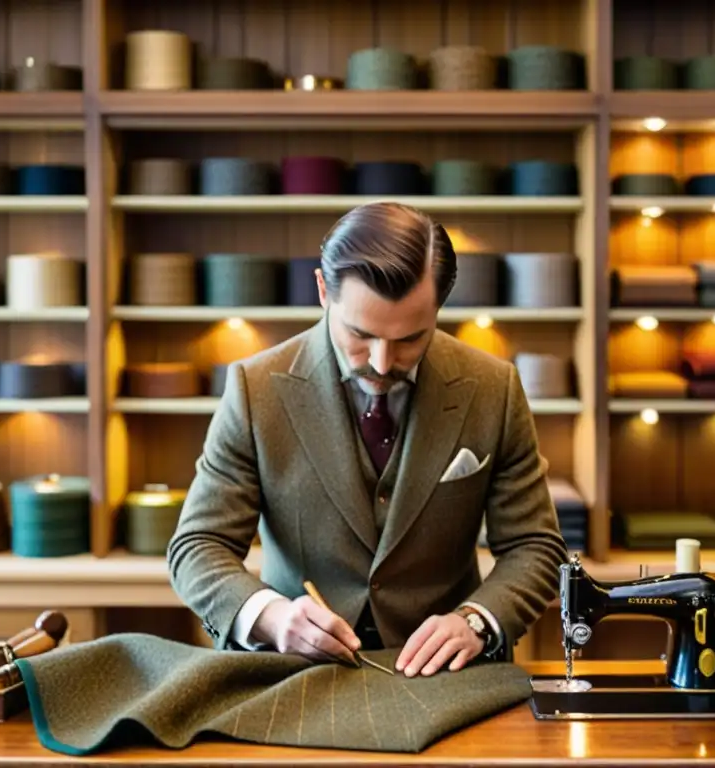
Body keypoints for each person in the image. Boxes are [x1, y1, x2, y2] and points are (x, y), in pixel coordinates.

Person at [167, 201, 568, 678]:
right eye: (360, 334)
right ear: (322, 290)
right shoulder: (255, 389)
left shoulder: (494, 389)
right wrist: (271, 617)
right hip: (295, 672)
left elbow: (536, 547)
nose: (381, 363)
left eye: (410, 339)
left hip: (449, 677)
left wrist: (476, 622)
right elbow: (196, 546)